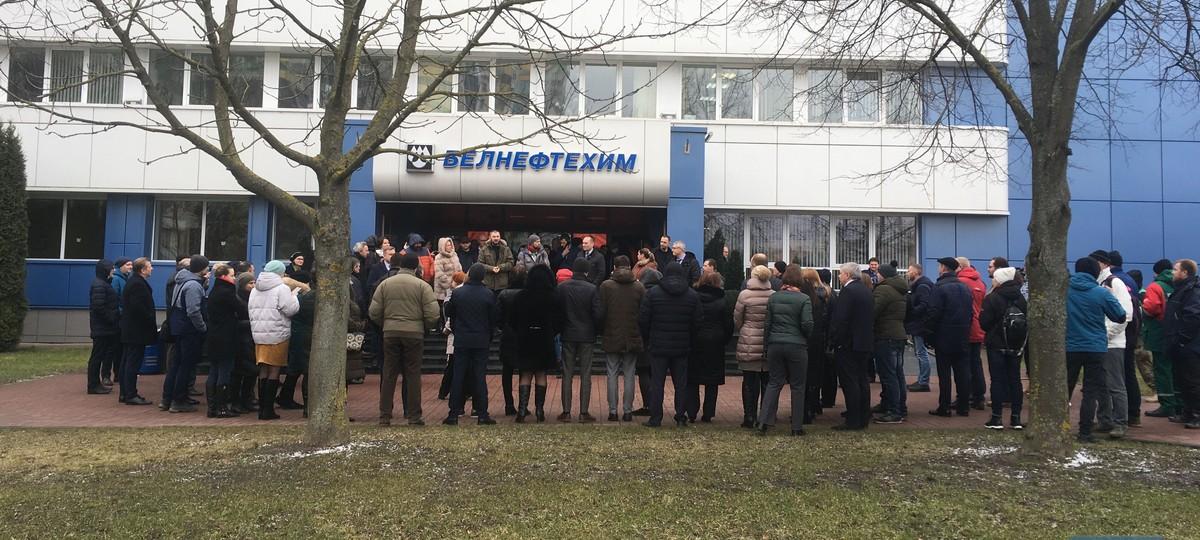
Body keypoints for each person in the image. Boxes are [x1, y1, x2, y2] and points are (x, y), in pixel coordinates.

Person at [370, 252, 440, 426]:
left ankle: (385, 415)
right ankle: (413, 415)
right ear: (416, 267)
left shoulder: (385, 284)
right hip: (414, 333)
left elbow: (374, 312)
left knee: (389, 374)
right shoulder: (422, 286)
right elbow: (433, 314)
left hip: (390, 332)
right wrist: (424, 327)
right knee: (413, 374)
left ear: (400, 265)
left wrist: (386, 324)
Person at [1067, 257, 1127, 442]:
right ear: (1095, 272)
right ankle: (1085, 432)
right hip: (1095, 347)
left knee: (1065, 388)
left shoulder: (1064, 291)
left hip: (1070, 346)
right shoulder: (1100, 292)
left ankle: (1059, 427)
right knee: (1090, 391)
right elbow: (1120, 316)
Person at [639, 262, 702, 428]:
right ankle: (681, 415)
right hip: (682, 345)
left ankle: (655, 417)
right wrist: (689, 338)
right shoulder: (691, 295)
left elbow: (643, 319)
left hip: (658, 344)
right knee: (681, 383)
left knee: (657, 383)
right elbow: (697, 321)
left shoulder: (653, 293)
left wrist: (649, 337)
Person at [756, 265, 814, 436]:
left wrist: (766, 346)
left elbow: (767, 324)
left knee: (774, 383)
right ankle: (796, 427)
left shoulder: (774, 297)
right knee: (798, 386)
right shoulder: (804, 299)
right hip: (797, 345)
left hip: (775, 343)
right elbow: (807, 324)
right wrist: (806, 337)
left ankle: (763, 422)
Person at [443, 264, 500, 425]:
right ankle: (482, 413)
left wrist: (456, 330)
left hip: (462, 338)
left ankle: (453, 413)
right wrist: (489, 335)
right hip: (481, 339)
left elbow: (450, 313)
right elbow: (493, 318)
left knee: (458, 376)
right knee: (479, 376)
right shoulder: (488, 294)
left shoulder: (458, 293)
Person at [248, 260, 300, 421]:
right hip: (277, 333)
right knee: (274, 370)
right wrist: (294, 296)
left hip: (259, 334)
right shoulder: (282, 288)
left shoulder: (255, 288)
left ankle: (262, 408)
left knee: (263, 368)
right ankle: (268, 409)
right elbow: (290, 310)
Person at [1090, 251, 1134, 438]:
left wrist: (1106, 334)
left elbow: (1126, 314)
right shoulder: (1097, 283)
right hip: (1098, 341)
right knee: (1100, 384)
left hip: (1112, 342)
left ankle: (1120, 422)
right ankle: (1105, 419)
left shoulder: (1115, 283)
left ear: (1103, 264)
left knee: (1115, 384)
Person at [924, 257, 974, 417]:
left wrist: (928, 334)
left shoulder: (939, 287)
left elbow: (933, 312)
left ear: (943, 268)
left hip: (944, 335)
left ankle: (944, 406)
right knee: (962, 372)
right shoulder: (965, 288)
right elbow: (971, 312)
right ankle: (963, 406)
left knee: (944, 374)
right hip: (962, 334)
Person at [979, 266, 1028, 430]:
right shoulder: (1021, 298)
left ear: (1000, 280)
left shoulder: (992, 298)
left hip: (996, 344)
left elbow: (984, 323)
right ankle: (1016, 418)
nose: (992, 280)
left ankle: (996, 417)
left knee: (997, 380)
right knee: (1015, 379)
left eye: (995, 278)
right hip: (1016, 345)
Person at [598, 255, 645, 422]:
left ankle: (612, 411)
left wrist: (601, 329)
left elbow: (601, 311)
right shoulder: (639, 287)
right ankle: (627, 410)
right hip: (632, 334)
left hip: (612, 333)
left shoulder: (606, 286)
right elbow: (643, 312)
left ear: (614, 267)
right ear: (630, 266)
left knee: (611, 373)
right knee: (629, 373)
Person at [512, 265, 561, 423]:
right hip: (544, 337)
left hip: (525, 337)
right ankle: (540, 410)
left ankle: (522, 410)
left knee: (525, 373)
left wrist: (520, 330)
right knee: (541, 373)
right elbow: (559, 320)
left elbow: (512, 319)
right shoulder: (552, 297)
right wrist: (551, 331)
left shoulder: (521, 296)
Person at [828, 262, 874, 430]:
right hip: (864, 342)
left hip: (849, 344)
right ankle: (863, 417)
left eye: (840, 273)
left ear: (847, 275)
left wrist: (835, 341)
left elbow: (841, 319)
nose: (839, 276)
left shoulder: (848, 291)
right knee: (862, 380)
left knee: (850, 382)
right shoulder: (866, 290)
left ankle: (853, 419)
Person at [162, 256, 209, 413]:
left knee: (176, 364)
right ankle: (179, 400)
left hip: (178, 327)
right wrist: (202, 327)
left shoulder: (181, 281)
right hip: (189, 329)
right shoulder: (193, 285)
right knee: (185, 365)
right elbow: (193, 311)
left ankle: (167, 398)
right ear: (201, 268)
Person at [557, 258, 601, 422]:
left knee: (567, 373)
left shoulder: (562, 287)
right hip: (587, 335)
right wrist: (596, 330)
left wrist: (560, 328)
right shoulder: (592, 289)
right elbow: (597, 314)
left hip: (568, 333)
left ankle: (566, 411)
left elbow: (558, 310)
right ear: (586, 271)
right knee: (586, 373)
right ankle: (583, 412)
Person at [686, 272, 733, 423]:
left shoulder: (692, 297)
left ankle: (691, 411)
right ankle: (708, 413)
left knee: (692, 379)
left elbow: (689, 320)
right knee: (712, 381)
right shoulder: (722, 300)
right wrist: (724, 339)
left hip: (695, 341)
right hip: (715, 342)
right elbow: (728, 325)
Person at [1104, 250, 1143, 426]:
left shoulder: (1114, 281)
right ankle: (1133, 412)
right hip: (1131, 332)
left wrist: (1110, 332)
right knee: (1128, 372)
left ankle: (1124, 414)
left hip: (1120, 334)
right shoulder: (1129, 279)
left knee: (1118, 377)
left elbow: (1122, 312)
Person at [734, 265, 774, 428]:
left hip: (749, 340)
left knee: (749, 382)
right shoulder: (773, 295)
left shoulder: (745, 295)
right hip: (767, 341)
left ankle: (749, 416)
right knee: (767, 382)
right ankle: (765, 416)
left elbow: (737, 318)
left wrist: (745, 329)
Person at [202, 264, 244, 418]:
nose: (234, 278)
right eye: (232, 275)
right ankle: (222, 407)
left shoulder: (215, 291)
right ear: (224, 276)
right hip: (226, 336)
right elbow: (241, 309)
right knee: (224, 371)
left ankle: (212, 407)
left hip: (214, 336)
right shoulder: (227, 292)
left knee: (214, 370)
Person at [1164, 259, 1200, 429]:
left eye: (1175, 269)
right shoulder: (1181, 289)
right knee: (1182, 380)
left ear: (1184, 272)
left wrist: (1181, 340)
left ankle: (1197, 414)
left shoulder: (1193, 291)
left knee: (1192, 381)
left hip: (1190, 345)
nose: (1172, 272)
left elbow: (1192, 317)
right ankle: (1187, 412)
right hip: (1180, 344)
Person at [872, 263, 909, 424]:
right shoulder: (900, 289)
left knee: (888, 375)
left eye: (878, 273)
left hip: (886, 335)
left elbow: (873, 311)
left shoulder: (884, 290)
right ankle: (898, 407)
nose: (876, 275)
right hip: (898, 334)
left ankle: (894, 411)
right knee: (897, 374)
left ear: (883, 275)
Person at [116, 258, 155, 405]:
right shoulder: (137, 284)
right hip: (136, 330)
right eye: (150, 266)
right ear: (143, 270)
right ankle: (130, 394)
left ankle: (125, 393)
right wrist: (149, 318)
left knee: (127, 360)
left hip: (131, 329)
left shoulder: (133, 282)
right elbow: (138, 307)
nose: (152, 269)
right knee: (132, 362)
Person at [1144, 259, 1179, 418]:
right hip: (1177, 332)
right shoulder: (1177, 284)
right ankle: (1179, 403)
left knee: (1162, 370)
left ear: (1156, 272)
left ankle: (1167, 404)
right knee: (1175, 369)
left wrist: (1143, 308)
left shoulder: (1155, 286)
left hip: (1159, 332)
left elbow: (1151, 307)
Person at [799, 268, 832, 423]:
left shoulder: (805, 297)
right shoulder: (825, 295)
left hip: (807, 339)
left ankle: (806, 410)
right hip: (819, 339)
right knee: (815, 375)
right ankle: (814, 406)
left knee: (804, 376)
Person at [956, 257, 987, 411]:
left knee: (964, 365)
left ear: (959, 267)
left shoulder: (960, 282)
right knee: (976, 363)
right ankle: (979, 396)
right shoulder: (980, 282)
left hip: (966, 328)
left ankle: (966, 396)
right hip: (978, 327)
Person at [86, 259, 120, 395]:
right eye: (111, 268)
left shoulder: (103, 283)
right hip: (102, 328)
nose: (113, 271)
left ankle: (96, 383)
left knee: (100, 355)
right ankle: (93, 384)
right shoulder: (99, 285)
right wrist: (111, 318)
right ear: (105, 270)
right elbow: (99, 307)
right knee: (97, 356)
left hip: (104, 327)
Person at [497, 269, 526, 416]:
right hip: (524, 335)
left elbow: (498, 316)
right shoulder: (527, 295)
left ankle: (509, 404)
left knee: (507, 371)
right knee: (524, 371)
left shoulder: (504, 294)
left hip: (508, 334)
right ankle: (523, 405)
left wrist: (503, 327)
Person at [905, 263, 935, 393]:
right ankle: (922, 380)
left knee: (921, 353)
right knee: (920, 352)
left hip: (920, 325)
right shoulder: (920, 285)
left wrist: (912, 312)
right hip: (919, 324)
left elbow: (924, 305)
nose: (907, 273)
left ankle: (923, 381)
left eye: (909, 271)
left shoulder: (922, 286)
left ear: (916, 272)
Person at [231, 272, 259, 411]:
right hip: (241, 339)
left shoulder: (253, 298)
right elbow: (235, 321)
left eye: (254, 283)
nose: (253, 286)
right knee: (242, 372)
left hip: (250, 338)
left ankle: (246, 399)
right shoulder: (237, 299)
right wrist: (253, 322)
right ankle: (237, 401)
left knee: (251, 371)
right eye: (250, 283)